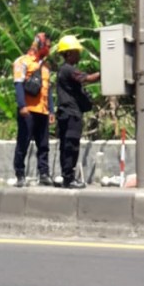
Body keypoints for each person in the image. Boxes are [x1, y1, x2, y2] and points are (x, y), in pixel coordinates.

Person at [55, 35, 100, 189]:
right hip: (71, 114)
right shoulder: (68, 69)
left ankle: (67, 177)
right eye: (76, 52)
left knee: (66, 146)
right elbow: (88, 78)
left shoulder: (64, 70)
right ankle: (69, 179)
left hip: (66, 114)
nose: (79, 55)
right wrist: (105, 72)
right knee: (71, 146)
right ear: (68, 53)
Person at [13, 32, 55, 188]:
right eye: (47, 46)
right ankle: (20, 174)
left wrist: (51, 110)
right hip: (28, 111)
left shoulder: (45, 66)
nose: (49, 49)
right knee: (23, 143)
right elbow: (18, 84)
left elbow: (47, 90)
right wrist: (22, 105)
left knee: (43, 145)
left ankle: (44, 173)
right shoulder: (22, 62)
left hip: (42, 111)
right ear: (40, 44)